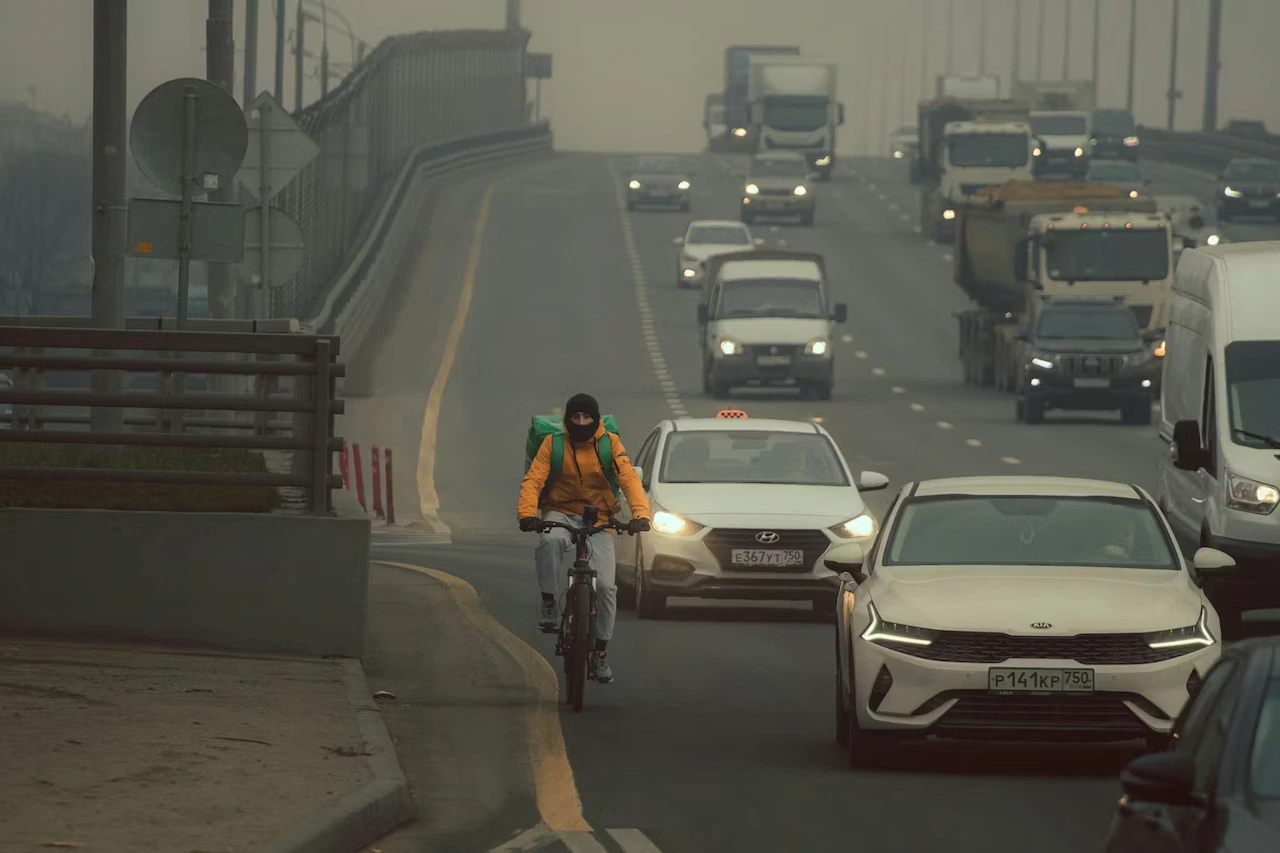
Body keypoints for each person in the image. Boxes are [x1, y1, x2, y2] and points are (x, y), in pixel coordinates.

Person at [518, 393, 651, 683]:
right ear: (567, 419)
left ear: (596, 419)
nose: (581, 423)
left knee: (605, 587)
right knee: (550, 541)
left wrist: (641, 515)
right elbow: (534, 479)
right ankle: (550, 601)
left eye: (587, 417)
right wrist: (528, 514)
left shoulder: (609, 444)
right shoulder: (552, 444)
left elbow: (628, 478)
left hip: (600, 518)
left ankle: (600, 651)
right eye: (575, 417)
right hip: (560, 512)